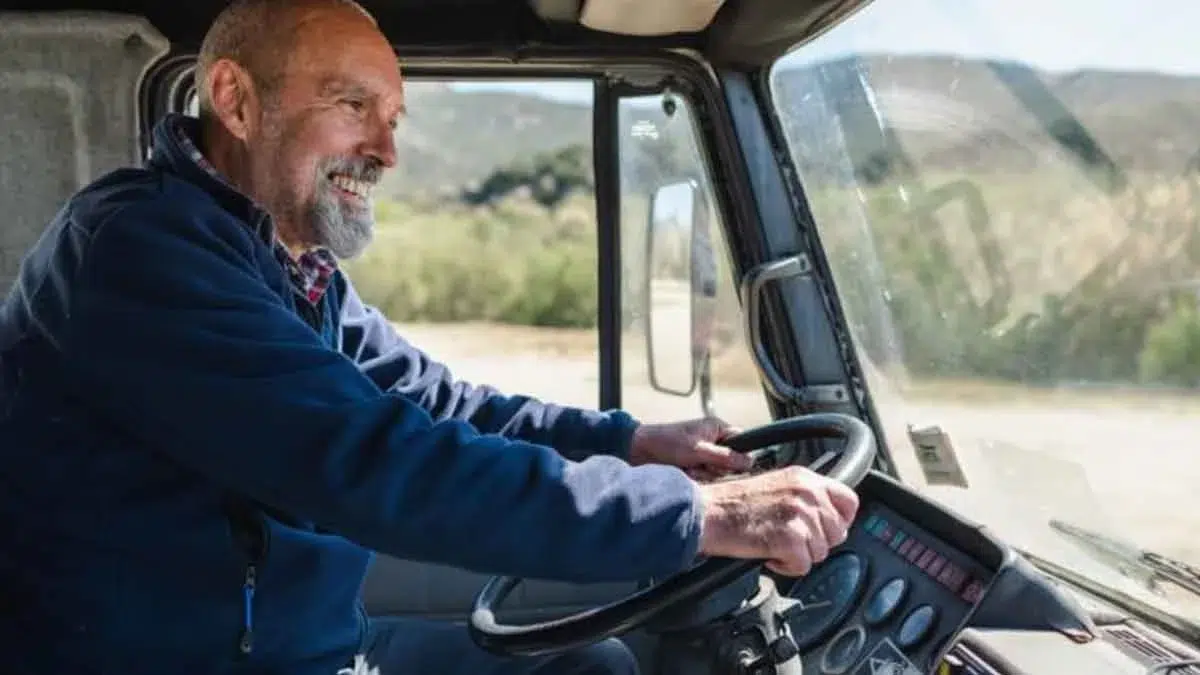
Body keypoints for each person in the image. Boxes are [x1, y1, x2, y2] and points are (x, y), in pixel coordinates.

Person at [0, 1, 860, 674]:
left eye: (394, 118)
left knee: (590, 665)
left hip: (307, 645)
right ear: (235, 99)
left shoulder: (290, 266)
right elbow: (381, 460)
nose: (387, 150)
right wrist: (698, 513)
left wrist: (630, 443)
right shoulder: (135, 251)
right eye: (353, 105)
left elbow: (440, 403)